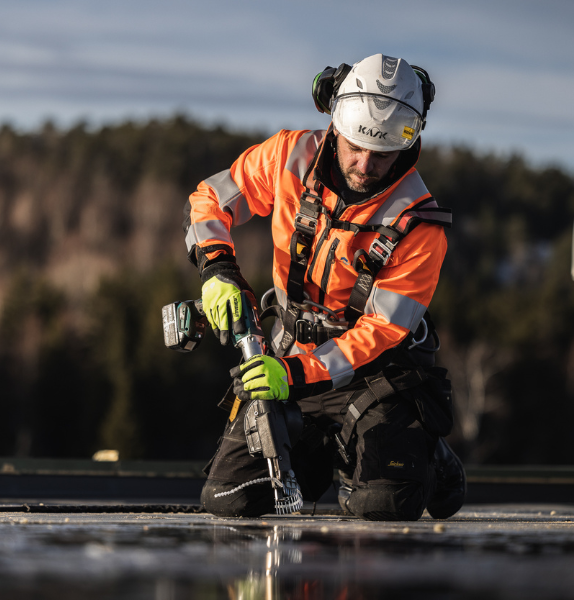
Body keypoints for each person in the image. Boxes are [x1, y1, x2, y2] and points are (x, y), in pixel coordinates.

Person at [183, 53, 466, 521]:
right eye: (355, 146)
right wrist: (217, 269)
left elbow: (379, 333)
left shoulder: (421, 224)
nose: (365, 164)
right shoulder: (290, 155)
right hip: (291, 353)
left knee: (381, 506)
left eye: (382, 152)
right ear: (335, 124)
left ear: (410, 140)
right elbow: (211, 198)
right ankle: (329, 454)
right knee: (230, 499)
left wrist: (292, 376)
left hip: (379, 375)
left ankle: (432, 461)